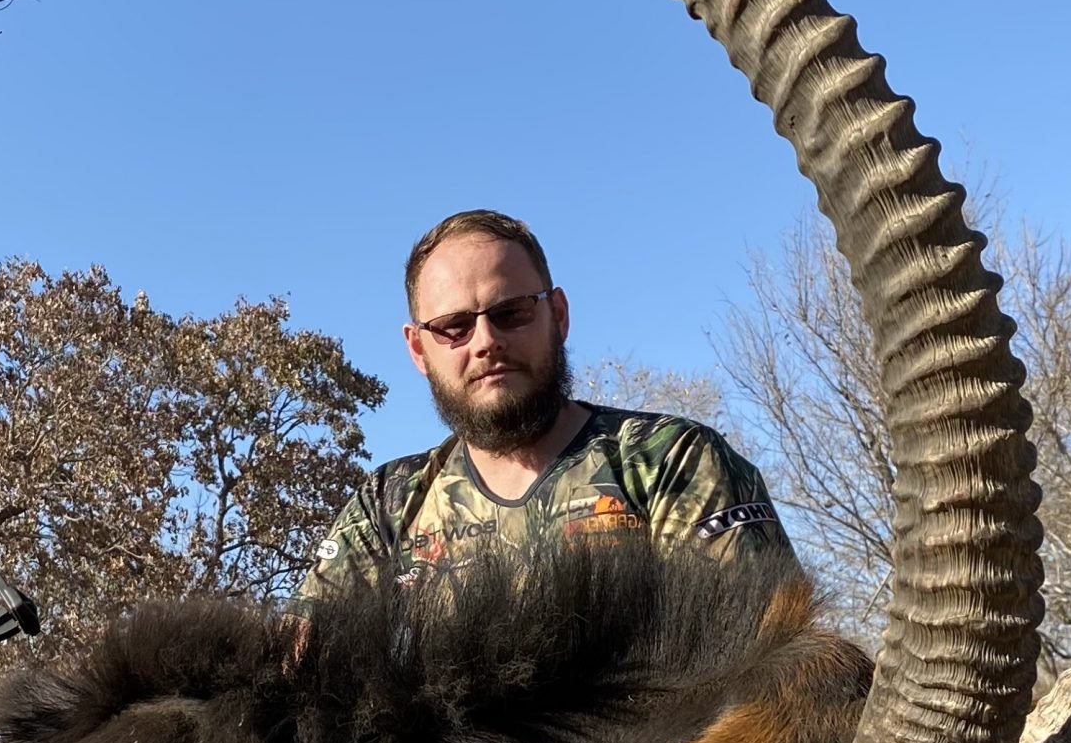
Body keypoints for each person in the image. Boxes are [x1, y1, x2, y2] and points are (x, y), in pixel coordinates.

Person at [292, 209, 790, 605]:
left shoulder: (669, 461)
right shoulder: (386, 506)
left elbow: (763, 673)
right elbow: (295, 674)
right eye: (453, 326)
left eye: (511, 312)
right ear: (419, 349)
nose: (485, 341)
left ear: (558, 315)